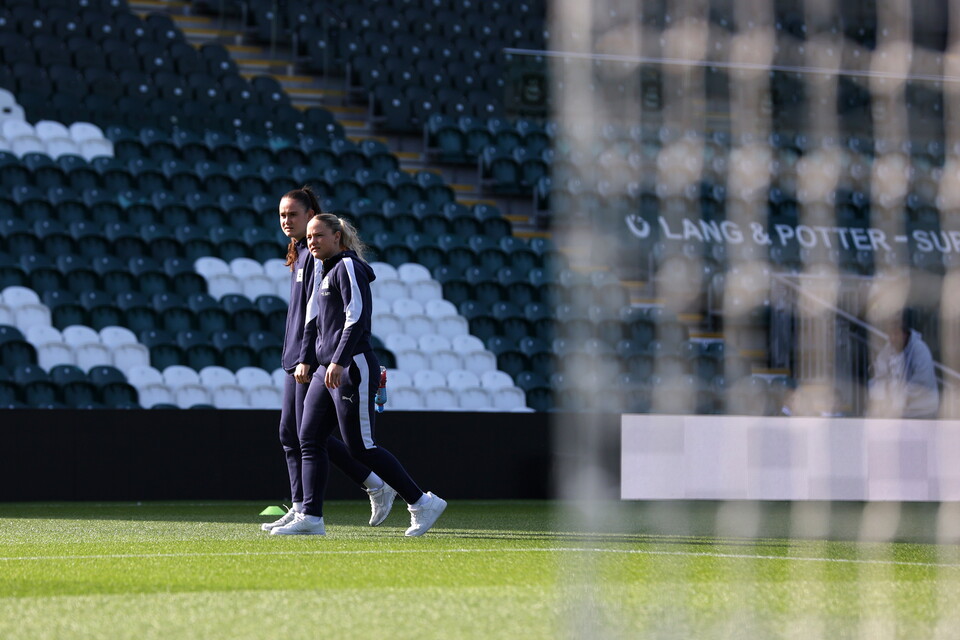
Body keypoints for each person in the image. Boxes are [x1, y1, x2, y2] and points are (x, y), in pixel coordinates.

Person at [271, 213, 447, 536]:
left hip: (352, 365)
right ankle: (311, 517)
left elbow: (357, 317)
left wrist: (338, 360)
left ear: (337, 237)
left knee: (361, 447)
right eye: (309, 237)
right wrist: (308, 360)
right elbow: (311, 323)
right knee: (308, 436)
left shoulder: (347, 267)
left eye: (318, 235)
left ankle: (421, 502)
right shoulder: (322, 271)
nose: (311, 242)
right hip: (327, 368)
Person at [261, 187, 398, 533]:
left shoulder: (321, 255)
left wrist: (308, 357)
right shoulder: (300, 252)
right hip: (295, 356)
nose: (286, 221)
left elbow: (321, 316)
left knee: (308, 435)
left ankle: (358, 490)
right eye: (282, 215)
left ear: (311, 215)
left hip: (310, 360)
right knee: (293, 434)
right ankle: (301, 506)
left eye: (293, 214)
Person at [868, 310, 939, 419]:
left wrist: (894, 395)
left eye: (896, 334)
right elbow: (879, 377)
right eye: (889, 334)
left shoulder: (920, 349)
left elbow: (921, 384)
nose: (892, 338)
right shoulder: (887, 350)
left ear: (906, 333)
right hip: (900, 412)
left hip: (922, 411)